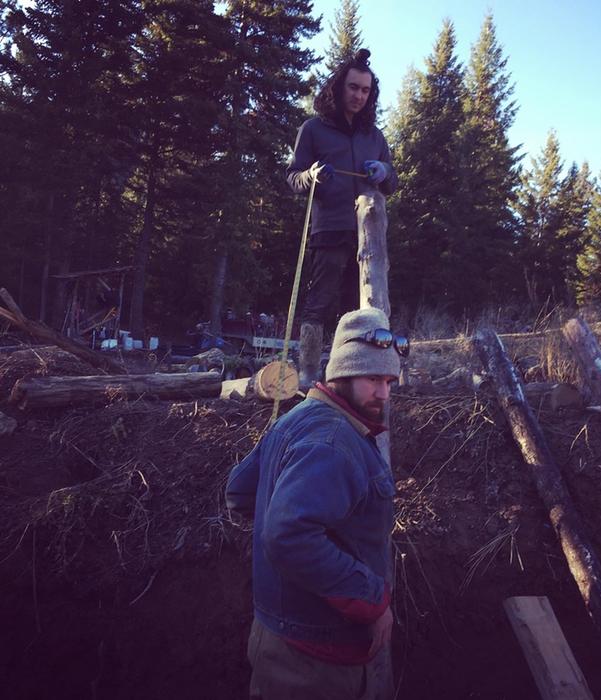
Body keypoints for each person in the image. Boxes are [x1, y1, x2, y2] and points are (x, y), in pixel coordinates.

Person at [226, 307, 409, 700]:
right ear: (341, 375)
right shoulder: (333, 442)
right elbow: (288, 536)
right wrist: (371, 601)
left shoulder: (297, 418)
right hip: (312, 665)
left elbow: (240, 492)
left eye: (390, 380)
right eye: (373, 379)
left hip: (277, 639)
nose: (384, 393)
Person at [287, 48, 399, 389]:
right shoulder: (313, 130)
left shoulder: (374, 136)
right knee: (319, 303)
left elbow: (393, 182)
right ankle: (308, 377)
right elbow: (293, 177)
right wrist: (312, 176)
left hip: (370, 237)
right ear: (338, 88)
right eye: (353, 88)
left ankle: (356, 375)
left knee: (363, 308)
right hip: (329, 229)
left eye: (365, 91)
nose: (359, 96)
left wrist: (383, 171)